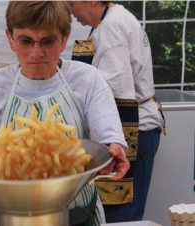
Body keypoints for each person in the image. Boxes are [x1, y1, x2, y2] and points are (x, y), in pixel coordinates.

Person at [0, 2, 130, 226]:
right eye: (26, 41)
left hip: (80, 218)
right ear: (11, 39)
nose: (36, 53)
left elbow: (108, 140)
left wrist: (113, 150)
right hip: (10, 219)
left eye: (48, 41)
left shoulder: (88, 80)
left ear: (64, 39)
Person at [68, 1, 166, 223]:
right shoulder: (109, 21)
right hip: (140, 126)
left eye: (72, 3)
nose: (71, 11)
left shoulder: (112, 26)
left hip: (130, 130)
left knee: (120, 215)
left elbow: (114, 90)